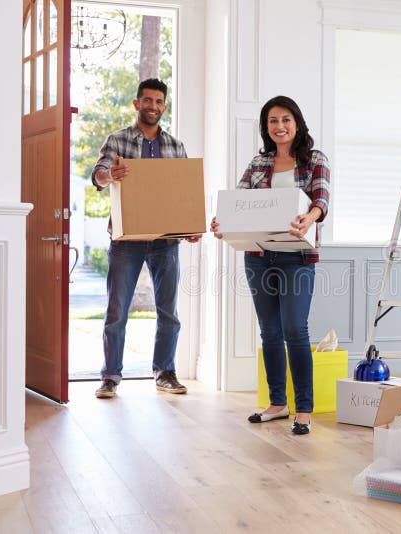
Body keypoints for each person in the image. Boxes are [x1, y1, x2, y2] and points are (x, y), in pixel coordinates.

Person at [211, 95, 330, 435]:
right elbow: (239, 200)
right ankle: (278, 403)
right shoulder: (259, 162)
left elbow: (321, 197)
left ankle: (303, 408)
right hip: (259, 257)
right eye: (273, 121)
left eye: (286, 120)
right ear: (266, 127)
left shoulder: (314, 159)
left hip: (298, 257)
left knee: (295, 328)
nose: (279, 127)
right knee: (270, 332)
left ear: (297, 123)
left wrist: (310, 217)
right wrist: (223, 225)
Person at [91, 78, 202, 399]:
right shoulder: (118, 140)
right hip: (126, 238)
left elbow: (184, 193)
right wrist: (109, 174)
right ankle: (110, 376)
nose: (153, 106)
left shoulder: (175, 146)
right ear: (137, 104)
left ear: (164, 107)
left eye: (159, 102)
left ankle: (164, 371)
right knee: (117, 311)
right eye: (147, 100)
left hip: (166, 239)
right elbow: (97, 174)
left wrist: (189, 225)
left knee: (168, 310)